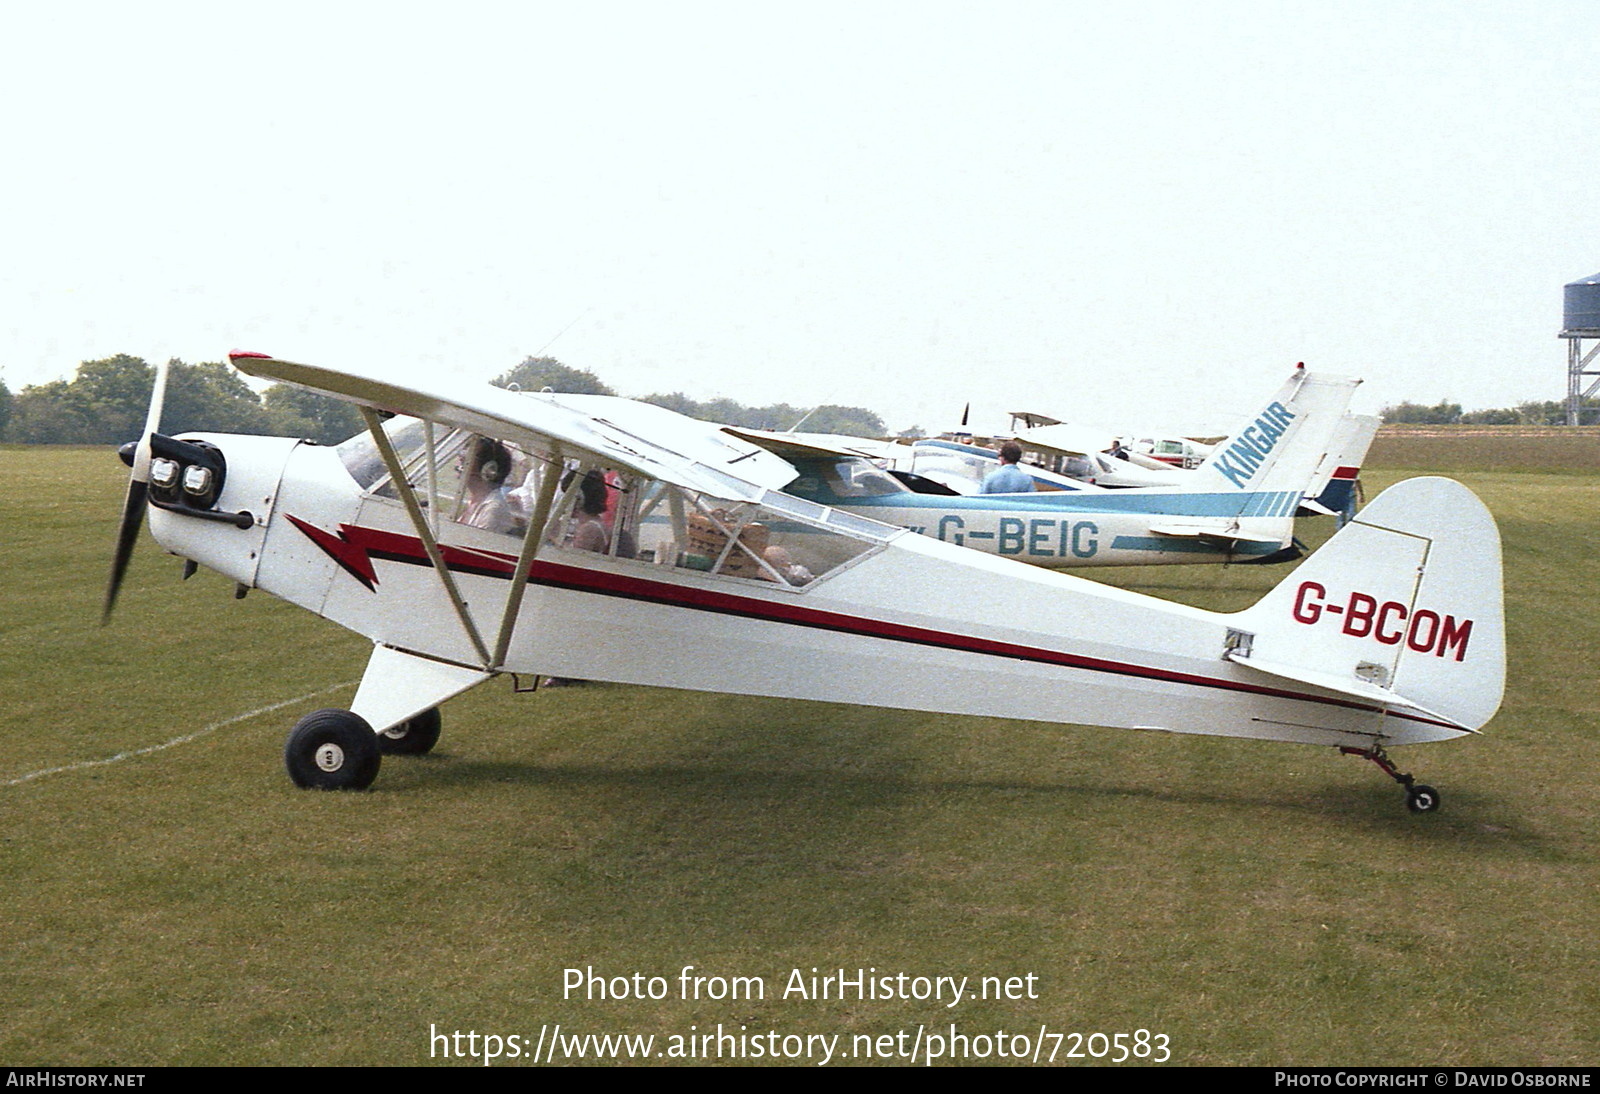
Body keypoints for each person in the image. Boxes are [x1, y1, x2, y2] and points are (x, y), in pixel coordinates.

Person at [458, 437, 517, 534]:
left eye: (467, 457)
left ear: (489, 469)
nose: (460, 462)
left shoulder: (494, 509)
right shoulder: (474, 502)